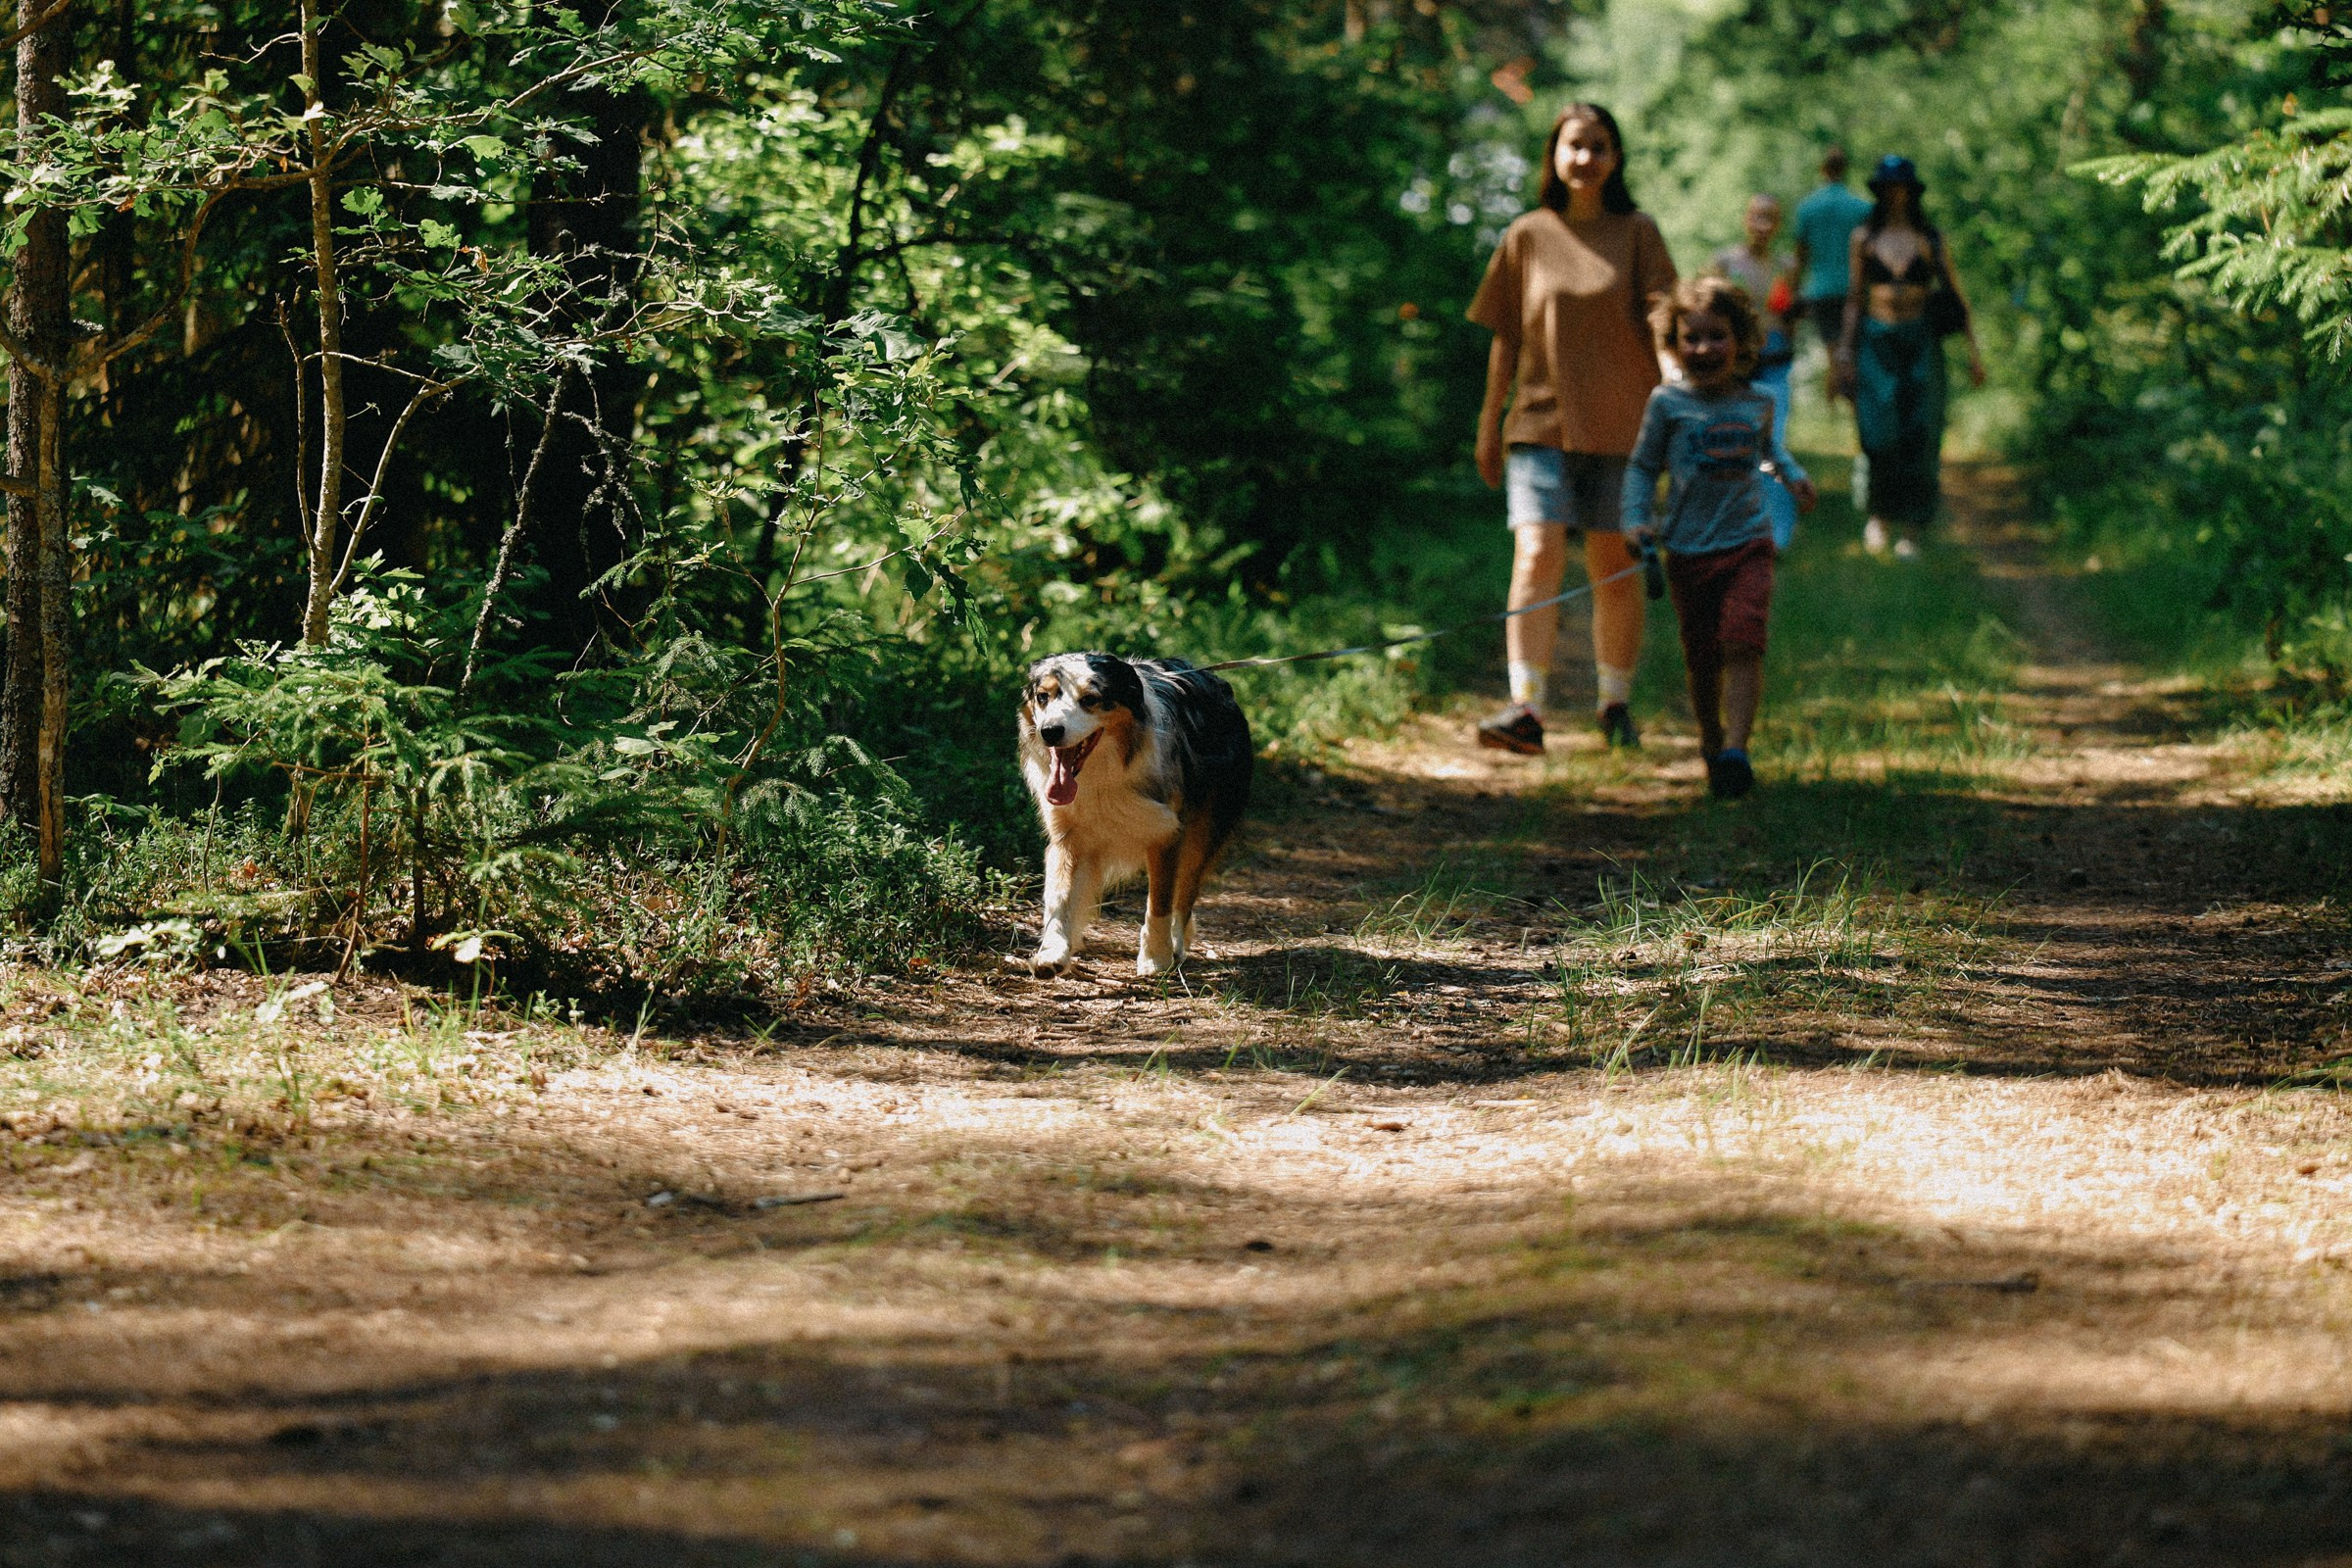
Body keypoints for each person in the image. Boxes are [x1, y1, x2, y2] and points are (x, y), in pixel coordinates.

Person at [1468, 103, 1678, 756]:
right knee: (1536, 552)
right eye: (1574, 145)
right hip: (1539, 422)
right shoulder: (1527, 234)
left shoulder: (1638, 232)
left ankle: (1614, 703)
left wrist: (1679, 395)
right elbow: (1504, 335)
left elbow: (1664, 319)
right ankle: (1526, 707)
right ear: (1553, 156)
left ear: (1615, 159)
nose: (1586, 158)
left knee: (1613, 565)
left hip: (1625, 426)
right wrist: (1488, 421)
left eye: (1599, 146)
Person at [1623, 276, 1817, 800]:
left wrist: (1792, 475)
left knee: (1742, 641)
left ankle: (1736, 750)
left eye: (1717, 337)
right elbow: (1642, 467)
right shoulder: (1665, 404)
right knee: (1703, 655)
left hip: (1748, 541)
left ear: (1741, 341)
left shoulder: (1756, 402)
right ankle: (1711, 739)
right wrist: (1635, 519)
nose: (1705, 349)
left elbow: (1770, 450)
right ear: (1673, 346)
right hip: (1686, 548)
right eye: (1692, 338)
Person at [1834, 155, 1986, 558]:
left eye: (1900, 188)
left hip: (1920, 339)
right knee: (1878, 431)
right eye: (1887, 188)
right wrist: (1845, 352)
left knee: (1920, 431)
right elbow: (1854, 299)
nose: (1894, 195)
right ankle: (1878, 515)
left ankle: (1912, 529)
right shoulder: (1863, 238)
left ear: (1911, 192)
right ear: (1879, 193)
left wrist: (1974, 353)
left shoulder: (1931, 238)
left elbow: (1956, 296)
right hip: (1876, 338)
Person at [1709, 194, 1799, 550]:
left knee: (1774, 445)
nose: (1763, 226)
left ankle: (1776, 537)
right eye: (1757, 217)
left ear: (1778, 224)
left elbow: (1791, 318)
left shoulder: (1787, 266)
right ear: (1746, 219)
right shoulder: (1724, 263)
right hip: (1734, 367)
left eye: (1771, 219)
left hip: (1774, 365)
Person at [1789, 147, 1873, 406]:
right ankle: (1851, 411)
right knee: (1852, 355)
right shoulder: (1862, 207)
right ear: (1845, 169)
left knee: (1832, 353)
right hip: (1854, 291)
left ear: (1823, 169)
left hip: (1820, 290)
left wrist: (1793, 293)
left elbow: (1800, 256)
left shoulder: (1807, 207)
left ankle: (1834, 409)